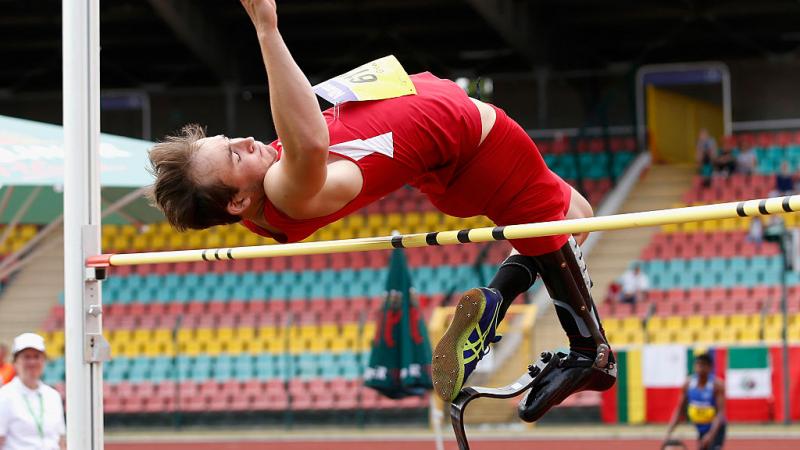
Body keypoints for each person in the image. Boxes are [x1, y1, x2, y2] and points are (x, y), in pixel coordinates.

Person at [147, 0, 615, 421]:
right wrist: (267, 29)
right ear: (236, 202)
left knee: (578, 214)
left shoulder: (265, 199)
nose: (247, 142)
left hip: (447, 159)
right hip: (476, 144)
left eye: (231, 139)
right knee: (564, 225)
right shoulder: (283, 189)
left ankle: (499, 299)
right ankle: (589, 351)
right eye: (234, 156)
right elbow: (310, 141)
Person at [0, 333, 66, 450]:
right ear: (15, 362)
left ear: (44, 360)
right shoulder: (5, 396)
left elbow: (60, 439)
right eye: (26, 357)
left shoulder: (53, 396)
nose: (32, 362)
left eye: (37, 356)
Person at [665, 354, 726, 450]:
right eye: (697, 365)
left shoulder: (716, 385)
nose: (700, 368)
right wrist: (669, 431)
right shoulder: (688, 384)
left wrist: (711, 434)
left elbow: (720, 413)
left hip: (716, 428)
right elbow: (680, 409)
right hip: (700, 426)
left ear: (709, 367)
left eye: (703, 365)